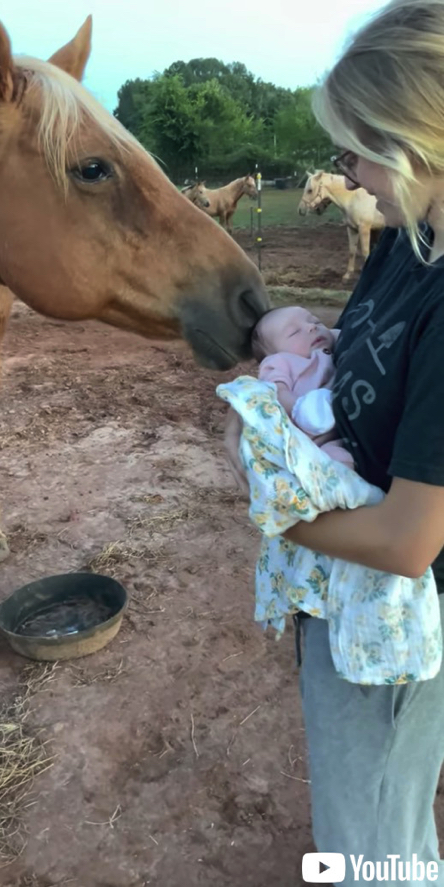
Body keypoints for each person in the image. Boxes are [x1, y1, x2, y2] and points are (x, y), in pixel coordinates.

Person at [224, 1, 444, 882]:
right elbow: (349, 363)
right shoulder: (406, 243)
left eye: (356, 147)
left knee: (368, 844)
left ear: (416, 137)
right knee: (381, 816)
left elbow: (409, 538)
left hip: (389, 631)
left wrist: (274, 506)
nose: (343, 169)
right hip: (339, 603)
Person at [251, 305, 354, 467]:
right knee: (333, 459)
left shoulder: (335, 340)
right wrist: (298, 408)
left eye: (315, 321)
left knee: (343, 456)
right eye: (294, 332)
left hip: (342, 432)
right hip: (306, 435)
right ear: (274, 352)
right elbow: (276, 391)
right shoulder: (280, 362)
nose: (312, 327)